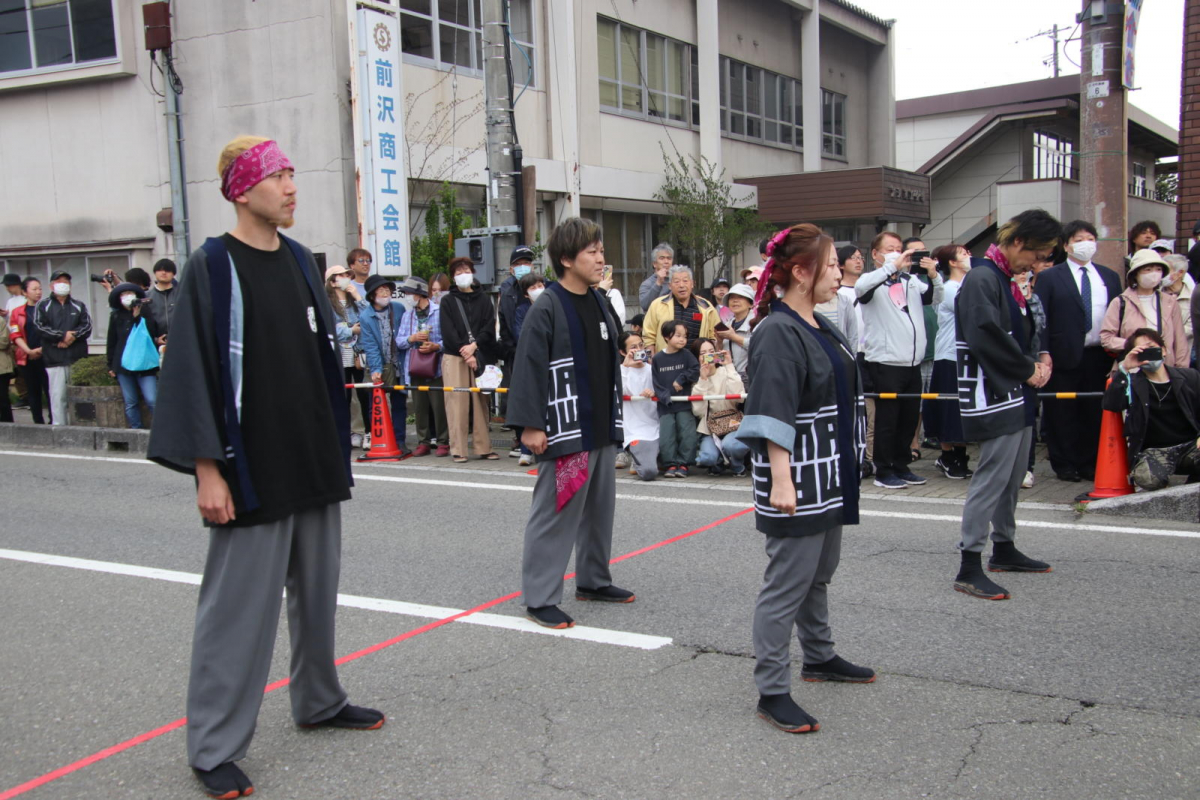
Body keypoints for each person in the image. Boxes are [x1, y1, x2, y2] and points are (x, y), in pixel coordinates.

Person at [146, 136, 382, 800]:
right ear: (243, 189)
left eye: (292, 173)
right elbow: (190, 369)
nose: (291, 186)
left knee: (317, 595)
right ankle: (214, 747)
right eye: (279, 175)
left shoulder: (304, 264)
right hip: (248, 465)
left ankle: (319, 699)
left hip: (309, 456)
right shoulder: (212, 265)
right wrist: (206, 470)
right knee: (236, 614)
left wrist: (338, 451)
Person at [738, 223, 873, 735]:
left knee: (819, 573)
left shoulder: (818, 322)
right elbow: (772, 410)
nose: (841, 271)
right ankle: (772, 690)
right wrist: (781, 479)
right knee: (786, 585)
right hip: (796, 476)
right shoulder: (777, 330)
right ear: (800, 271)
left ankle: (819, 656)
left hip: (829, 471)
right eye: (833, 264)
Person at [507, 217, 632, 630]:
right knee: (557, 510)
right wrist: (530, 425)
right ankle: (540, 597)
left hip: (599, 425)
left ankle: (594, 580)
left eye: (601, 251)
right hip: (567, 428)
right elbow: (527, 366)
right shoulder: (548, 305)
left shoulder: (597, 299)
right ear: (566, 259)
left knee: (599, 508)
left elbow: (611, 343)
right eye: (593, 252)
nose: (601, 259)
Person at [953, 209, 1059, 601]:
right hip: (994, 392)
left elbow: (1025, 328)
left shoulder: (1006, 279)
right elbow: (985, 334)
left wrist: (1039, 358)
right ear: (1017, 243)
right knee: (992, 477)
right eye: (1037, 253)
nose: (1039, 262)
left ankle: (1005, 546)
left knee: (1013, 476)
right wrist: (1027, 368)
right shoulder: (983, 277)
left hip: (1015, 388)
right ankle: (969, 563)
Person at [1033, 220, 1124, 483]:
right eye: (1078, 239)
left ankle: (1089, 462)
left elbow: (1118, 314)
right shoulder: (1051, 276)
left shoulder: (1108, 276)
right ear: (1066, 245)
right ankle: (1064, 463)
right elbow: (1041, 318)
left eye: (1090, 238)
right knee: (1061, 412)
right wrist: (1044, 351)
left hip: (1099, 354)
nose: (1085, 244)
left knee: (1094, 411)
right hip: (1061, 354)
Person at [855, 235, 943, 489]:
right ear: (876, 254)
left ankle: (901, 465)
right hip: (885, 361)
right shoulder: (871, 281)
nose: (896, 253)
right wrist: (890, 267)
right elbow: (861, 289)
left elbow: (934, 298)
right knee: (887, 419)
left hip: (912, 361)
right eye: (889, 250)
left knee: (908, 418)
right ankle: (883, 470)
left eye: (898, 249)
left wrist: (934, 275)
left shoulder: (910, 281)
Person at [1104, 329, 1200, 489]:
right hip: (1155, 450)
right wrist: (1125, 368)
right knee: (1147, 478)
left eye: (1151, 347)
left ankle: (1192, 489)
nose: (1148, 353)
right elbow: (1111, 404)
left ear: (1163, 349)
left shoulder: (1189, 377)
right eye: (1141, 350)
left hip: (1190, 445)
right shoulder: (1132, 383)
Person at [440, 256, 500, 462]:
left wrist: (474, 348)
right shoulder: (448, 300)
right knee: (457, 403)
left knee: (481, 402)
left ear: (473, 273)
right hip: (455, 357)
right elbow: (448, 331)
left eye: (466, 270)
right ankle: (458, 449)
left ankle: (484, 447)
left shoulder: (483, 299)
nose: (462, 275)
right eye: (457, 272)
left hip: (480, 354)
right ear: (453, 277)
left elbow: (488, 327)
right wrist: (466, 352)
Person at [924, 244, 973, 480]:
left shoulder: (967, 285)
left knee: (962, 409)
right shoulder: (950, 288)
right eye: (963, 254)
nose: (969, 256)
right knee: (948, 409)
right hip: (949, 355)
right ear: (952, 262)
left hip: (967, 357)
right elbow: (971, 311)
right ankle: (946, 456)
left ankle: (961, 455)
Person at [1101, 249, 1189, 368]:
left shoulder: (1170, 302)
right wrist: (1135, 345)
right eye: (1148, 269)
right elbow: (1106, 338)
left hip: (1165, 369)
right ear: (1135, 274)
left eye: (1158, 269)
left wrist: (1181, 371)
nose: (1153, 273)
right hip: (1132, 368)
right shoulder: (1121, 302)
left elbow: (1180, 342)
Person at [359, 274, 412, 457]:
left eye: (388, 289)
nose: (385, 293)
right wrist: (375, 369)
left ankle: (400, 440)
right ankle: (378, 438)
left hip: (399, 362)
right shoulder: (366, 316)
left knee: (400, 402)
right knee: (376, 404)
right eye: (381, 290)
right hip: (381, 363)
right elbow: (370, 344)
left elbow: (405, 332)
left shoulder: (398, 308)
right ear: (373, 295)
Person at [395, 276, 448, 457]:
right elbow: (399, 341)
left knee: (439, 406)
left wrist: (436, 346)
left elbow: (448, 339)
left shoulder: (439, 311)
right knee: (419, 407)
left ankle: (443, 442)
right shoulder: (407, 315)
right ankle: (423, 441)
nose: (408, 297)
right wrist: (412, 338)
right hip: (415, 365)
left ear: (420, 293)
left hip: (436, 365)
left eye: (410, 293)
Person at [32, 270, 91, 427]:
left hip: (76, 357)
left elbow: (87, 327)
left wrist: (72, 337)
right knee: (58, 396)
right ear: (52, 285)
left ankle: (81, 426)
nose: (63, 284)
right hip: (54, 358)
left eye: (66, 282)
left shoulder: (79, 305)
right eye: (59, 281)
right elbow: (39, 327)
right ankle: (59, 428)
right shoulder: (43, 305)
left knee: (79, 395)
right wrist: (61, 336)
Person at [325, 264, 371, 449]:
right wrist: (351, 330)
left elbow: (369, 316)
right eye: (341, 275)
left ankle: (368, 433)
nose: (346, 278)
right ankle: (345, 433)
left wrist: (358, 297)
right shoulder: (326, 302)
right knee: (342, 396)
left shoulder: (354, 301)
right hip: (338, 354)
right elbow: (330, 327)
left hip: (357, 354)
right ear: (332, 281)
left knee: (363, 394)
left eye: (346, 275)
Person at [105, 282, 160, 429]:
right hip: (123, 364)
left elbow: (151, 333)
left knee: (152, 399)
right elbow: (112, 341)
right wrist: (111, 364)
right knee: (130, 401)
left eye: (130, 293)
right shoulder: (116, 316)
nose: (127, 296)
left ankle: (160, 430)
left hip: (145, 363)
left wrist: (137, 317)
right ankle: (136, 430)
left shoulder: (146, 312)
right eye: (123, 294)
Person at [691, 338, 749, 476]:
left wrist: (729, 366)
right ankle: (716, 464)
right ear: (697, 357)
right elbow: (698, 411)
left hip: (732, 423)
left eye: (712, 352)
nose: (708, 356)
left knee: (732, 446)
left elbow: (739, 397)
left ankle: (737, 465)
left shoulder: (725, 371)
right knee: (707, 457)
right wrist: (703, 380)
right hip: (710, 428)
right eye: (703, 353)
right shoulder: (696, 378)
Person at [498, 245, 536, 446]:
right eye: (518, 264)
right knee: (517, 395)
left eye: (526, 263)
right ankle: (520, 438)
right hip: (515, 351)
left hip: (539, 352)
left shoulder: (542, 285)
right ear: (511, 268)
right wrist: (510, 348)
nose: (523, 267)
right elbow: (504, 322)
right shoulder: (506, 290)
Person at [652, 320, 700, 478]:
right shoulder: (658, 358)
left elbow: (695, 370)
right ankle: (670, 464)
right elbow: (656, 383)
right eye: (678, 335)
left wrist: (682, 378)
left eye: (685, 336)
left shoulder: (686, 355)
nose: (682, 339)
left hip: (684, 404)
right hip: (666, 405)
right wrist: (665, 397)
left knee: (687, 435)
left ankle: (684, 464)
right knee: (667, 436)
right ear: (666, 337)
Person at [641, 265, 721, 351]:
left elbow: (714, 335)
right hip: (667, 360)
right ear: (670, 285)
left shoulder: (706, 306)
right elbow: (648, 336)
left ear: (692, 284)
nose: (681, 285)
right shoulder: (658, 305)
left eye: (685, 281)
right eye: (676, 282)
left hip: (698, 360)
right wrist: (652, 358)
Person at [618, 330, 659, 481]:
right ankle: (637, 457)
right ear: (623, 352)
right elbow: (618, 391)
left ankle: (648, 457)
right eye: (633, 347)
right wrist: (625, 366)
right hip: (637, 430)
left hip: (660, 426)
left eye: (641, 345)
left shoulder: (653, 367)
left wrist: (653, 392)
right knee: (649, 472)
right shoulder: (621, 371)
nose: (639, 350)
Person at [716, 282, 755, 386]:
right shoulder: (727, 325)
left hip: (750, 378)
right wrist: (719, 342)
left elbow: (759, 348)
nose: (735, 300)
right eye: (732, 297)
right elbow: (719, 359)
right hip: (728, 378)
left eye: (741, 297)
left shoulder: (757, 324)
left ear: (750, 304)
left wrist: (733, 337)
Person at [1161, 254, 1195, 360]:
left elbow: (1191, 327)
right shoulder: (1155, 293)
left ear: (1180, 273)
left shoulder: (1192, 296)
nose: (1162, 274)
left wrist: (1166, 334)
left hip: (1184, 356)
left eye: (1166, 270)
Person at [147, 258, 178, 345]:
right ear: (155, 272)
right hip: (155, 346)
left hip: (180, 343)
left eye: (168, 270)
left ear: (173, 274)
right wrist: (155, 340)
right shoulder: (146, 297)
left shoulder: (181, 295)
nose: (163, 273)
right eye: (160, 270)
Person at [638, 243, 674, 312]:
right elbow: (645, 306)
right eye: (662, 258)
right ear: (654, 264)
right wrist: (658, 283)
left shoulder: (677, 281)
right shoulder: (647, 284)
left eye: (669, 258)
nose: (666, 262)